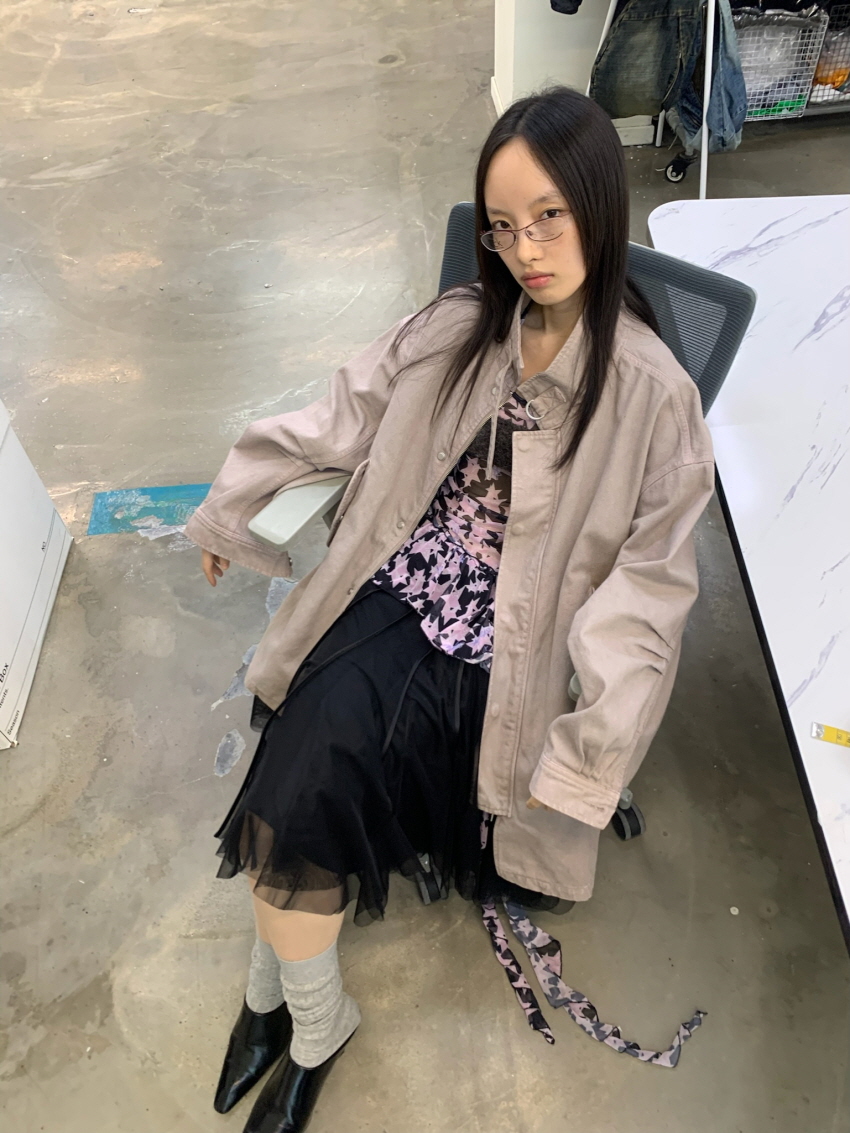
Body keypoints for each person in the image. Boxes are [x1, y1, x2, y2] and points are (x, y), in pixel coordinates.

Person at [185, 85, 715, 1133]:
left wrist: (591, 754)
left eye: (550, 216)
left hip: (506, 653)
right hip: (397, 588)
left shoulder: (655, 397)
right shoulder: (460, 324)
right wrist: (236, 495)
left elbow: (650, 598)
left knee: (301, 782)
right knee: (300, 780)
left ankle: (280, 1003)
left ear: (599, 206)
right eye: (505, 226)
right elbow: (343, 410)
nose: (528, 250)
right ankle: (307, 1015)